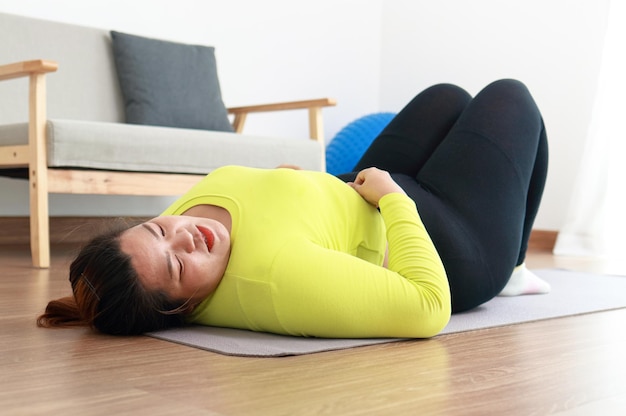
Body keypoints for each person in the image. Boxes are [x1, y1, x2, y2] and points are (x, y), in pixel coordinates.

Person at [37, 79, 550, 338]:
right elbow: (427, 309)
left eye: (157, 230)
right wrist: (393, 199)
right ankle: (509, 265)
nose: (184, 236)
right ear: (184, 308)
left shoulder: (184, 221)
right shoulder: (278, 281)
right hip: (444, 244)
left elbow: (260, 207)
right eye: (176, 265)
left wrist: (289, 186)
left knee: (448, 96)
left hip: (359, 193)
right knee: (511, 98)